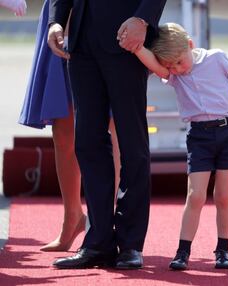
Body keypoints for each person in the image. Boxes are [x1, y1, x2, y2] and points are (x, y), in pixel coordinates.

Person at [130, 22, 228, 270]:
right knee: (196, 196)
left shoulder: (217, 58)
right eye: (171, 66)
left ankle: (222, 250)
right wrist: (138, 48)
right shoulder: (173, 73)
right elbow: (155, 65)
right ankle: (183, 251)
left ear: (190, 45)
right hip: (199, 136)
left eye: (180, 62)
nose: (177, 70)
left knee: (223, 197)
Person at [47, 0, 167, 269]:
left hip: (127, 38)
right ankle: (97, 242)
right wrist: (56, 20)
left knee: (132, 143)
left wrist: (143, 19)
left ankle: (130, 244)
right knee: (87, 143)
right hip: (81, 41)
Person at [19, 0, 120, 252]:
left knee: (114, 125)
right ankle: (72, 218)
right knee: (63, 131)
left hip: (109, 17)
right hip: (62, 14)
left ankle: (110, 223)